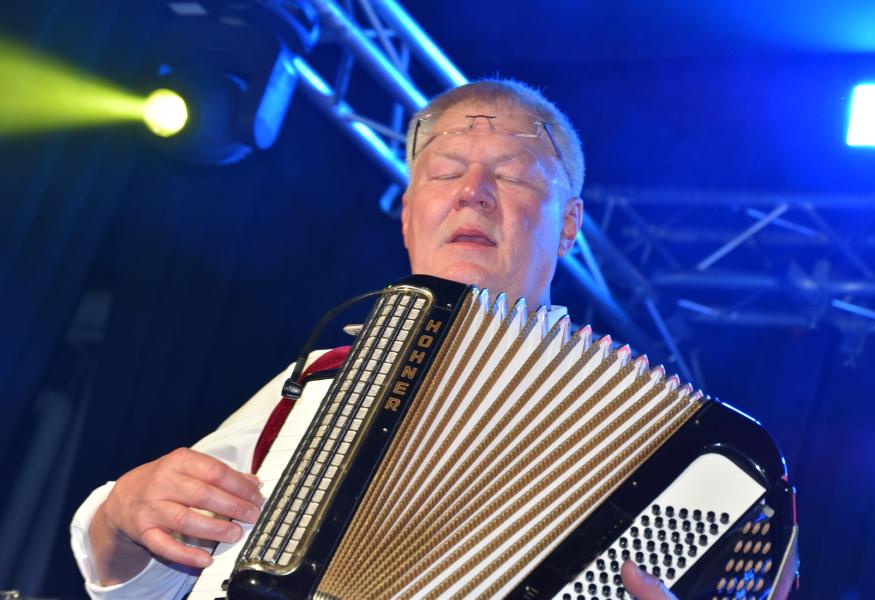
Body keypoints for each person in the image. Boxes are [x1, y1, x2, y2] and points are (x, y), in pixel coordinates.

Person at [70, 79, 676, 599]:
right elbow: (149, 584)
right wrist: (121, 515)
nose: (472, 192)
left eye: (512, 176)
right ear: (409, 216)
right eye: (447, 172)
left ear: (568, 226)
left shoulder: (643, 432)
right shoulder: (319, 377)